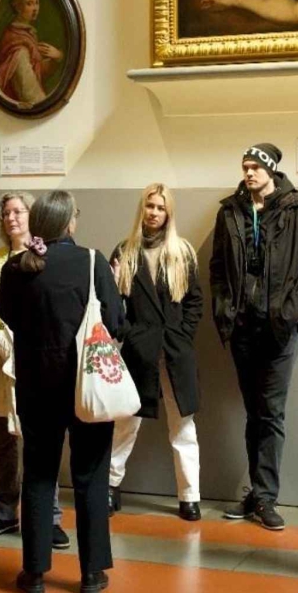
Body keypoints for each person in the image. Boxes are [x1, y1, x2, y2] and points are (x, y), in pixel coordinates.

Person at [0, 191, 124, 593]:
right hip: (87, 387)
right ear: (69, 222)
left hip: (36, 387)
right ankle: (92, 574)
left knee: (38, 474)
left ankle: (34, 573)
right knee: (91, 477)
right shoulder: (91, 261)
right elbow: (116, 320)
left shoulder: (16, 267)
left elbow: (6, 315)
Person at [209, 144, 298, 531]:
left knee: (271, 412)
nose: (249, 172)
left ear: (271, 170)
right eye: (245, 166)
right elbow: (218, 266)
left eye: (256, 166)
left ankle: (266, 497)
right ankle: (257, 493)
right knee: (254, 412)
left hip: (280, 326)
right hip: (241, 325)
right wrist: (224, 307)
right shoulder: (230, 211)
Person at [0, 191, 69, 550]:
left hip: (38, 362)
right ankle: (5, 510)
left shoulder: (47, 256)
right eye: (6, 212)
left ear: (32, 216)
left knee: (42, 441)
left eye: (18, 211)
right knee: (2, 442)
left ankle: (49, 517)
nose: (11, 218)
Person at [107, 184, 205, 521]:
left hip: (176, 353)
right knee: (125, 423)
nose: (154, 212)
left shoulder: (182, 252)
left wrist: (182, 334)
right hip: (139, 352)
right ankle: (110, 485)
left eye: (161, 208)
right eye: (150, 206)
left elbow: (195, 302)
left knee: (183, 429)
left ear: (168, 213)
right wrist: (129, 335)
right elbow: (113, 304)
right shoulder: (125, 251)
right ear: (142, 209)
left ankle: (189, 496)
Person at [0, 0, 64, 106]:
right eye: (29, 4)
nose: (35, 8)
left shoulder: (26, 34)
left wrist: (58, 56)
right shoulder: (17, 44)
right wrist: (43, 106)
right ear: (18, 7)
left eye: (36, 3)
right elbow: (28, 90)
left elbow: (35, 70)